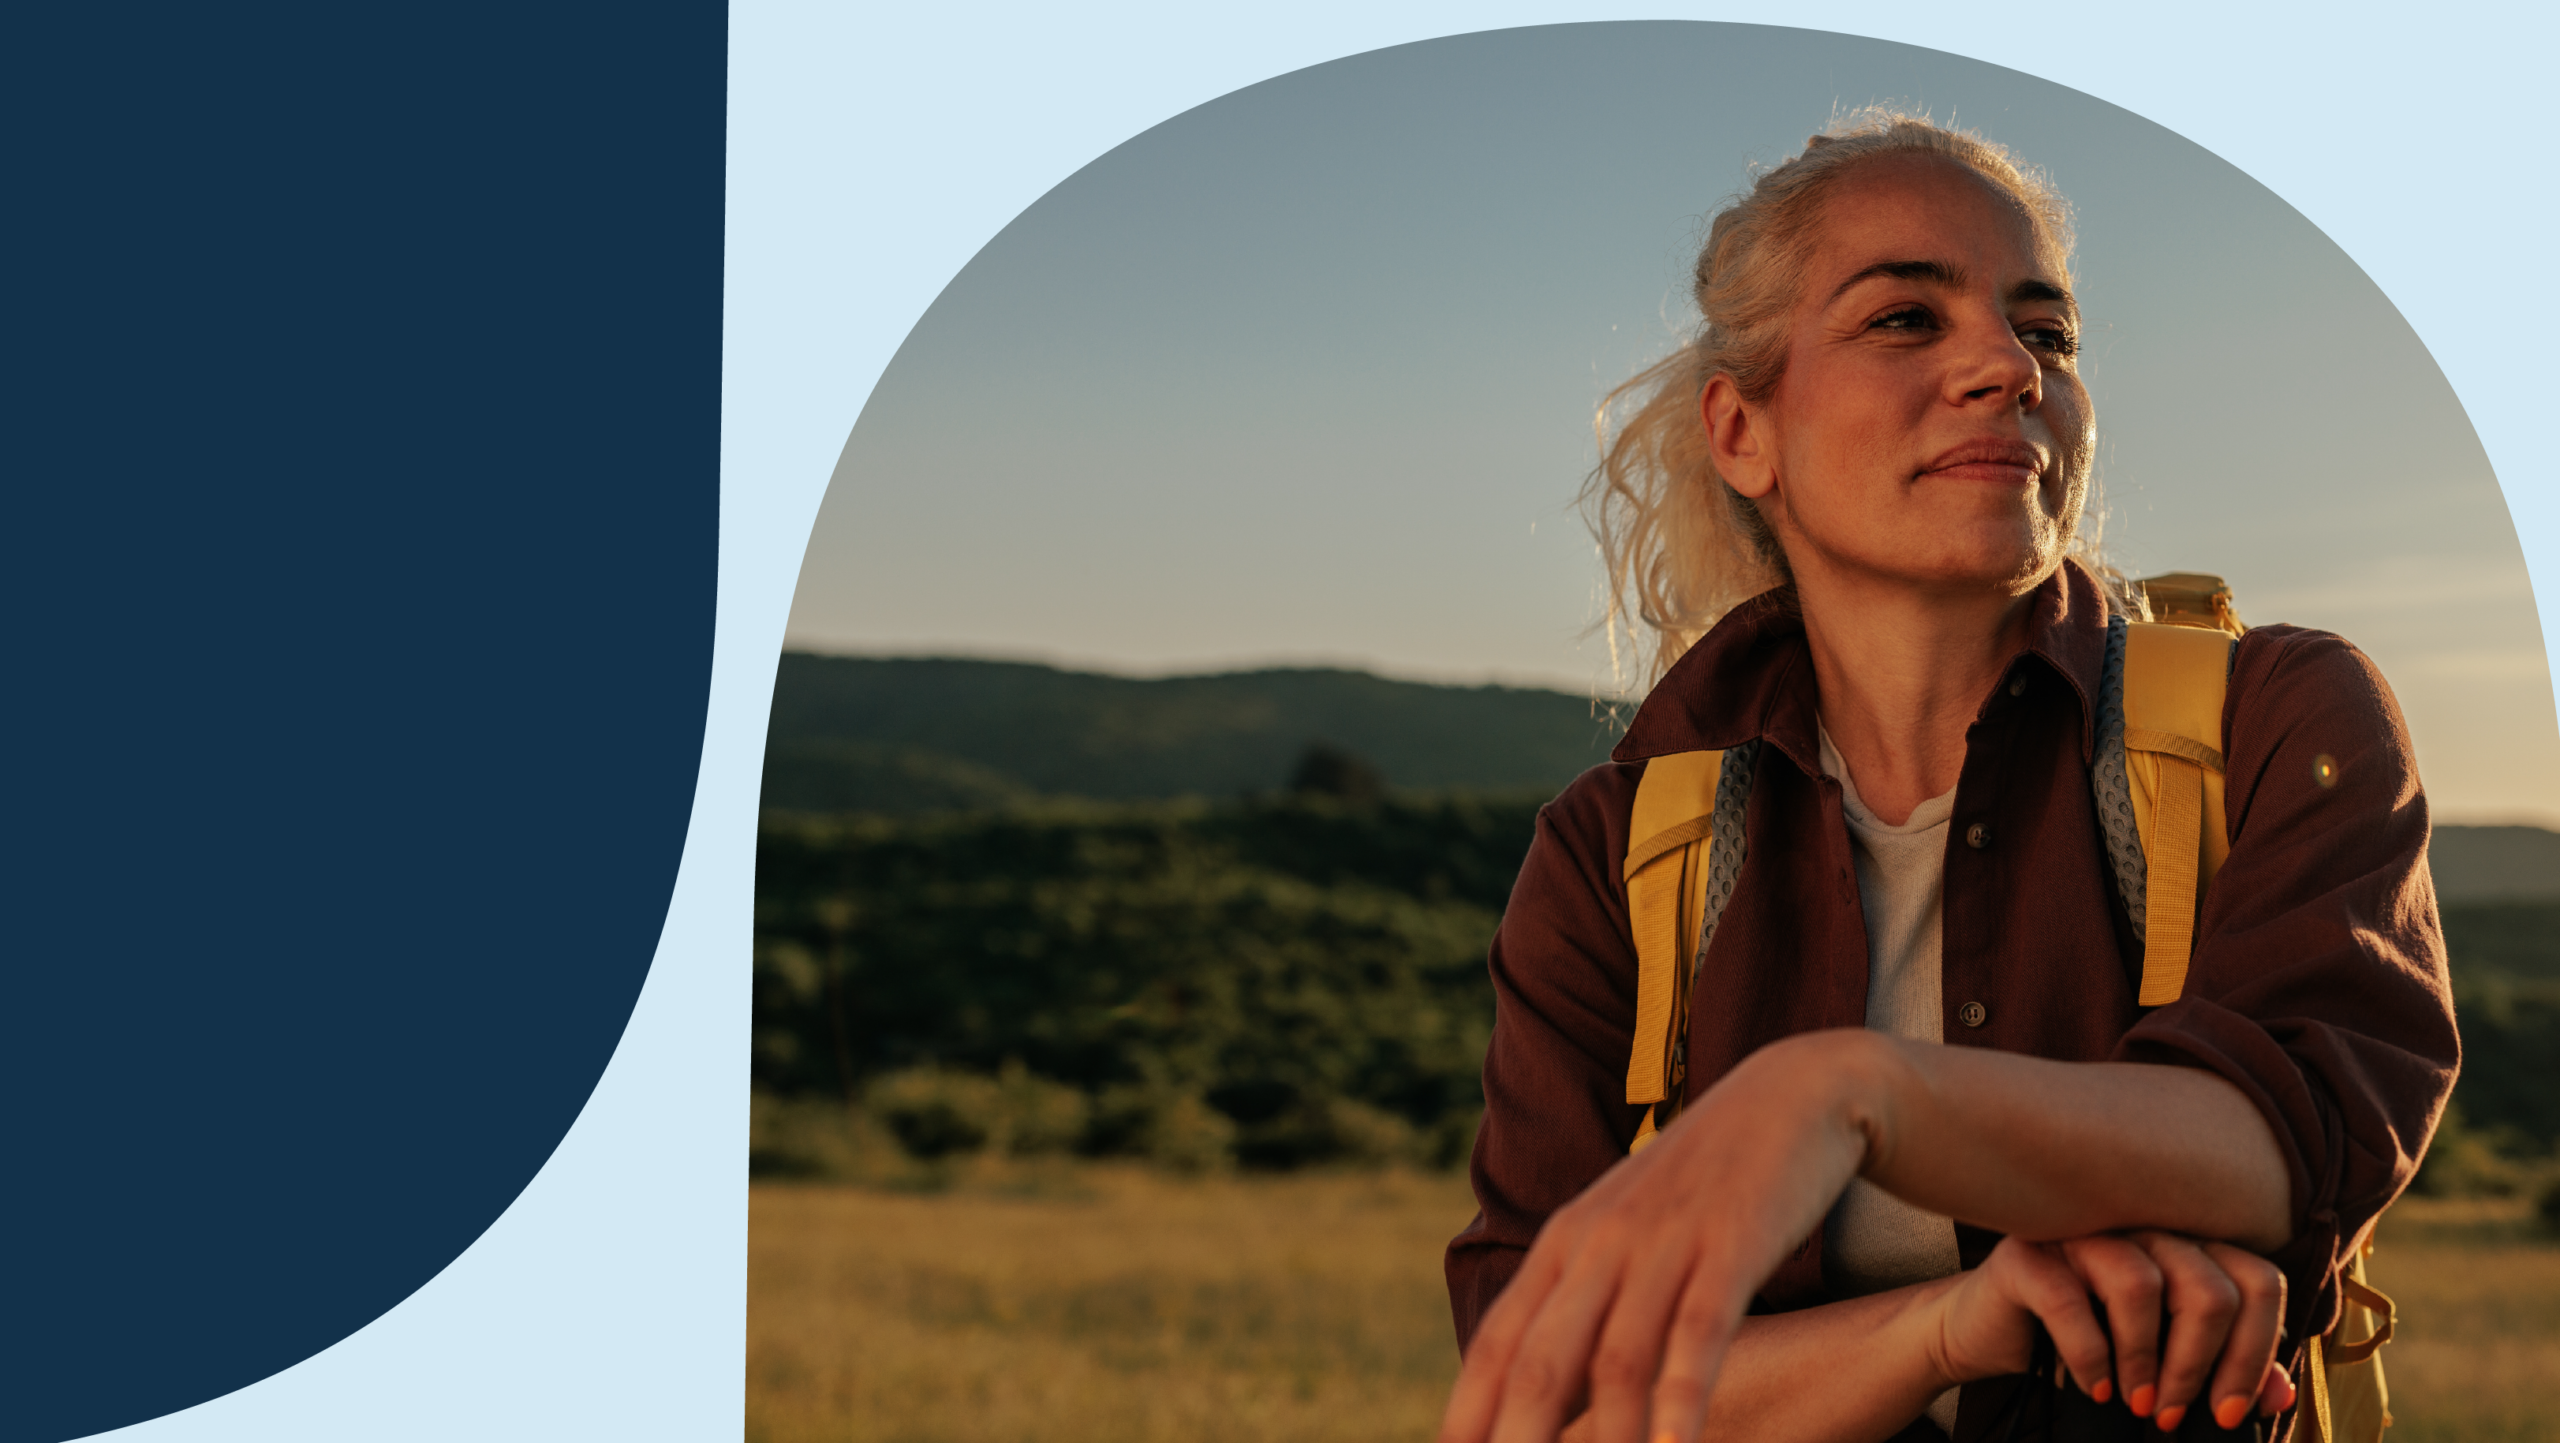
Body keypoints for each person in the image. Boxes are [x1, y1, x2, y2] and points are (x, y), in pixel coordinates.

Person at [1436, 112, 2458, 1443]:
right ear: (1743, 430)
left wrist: (1844, 1098)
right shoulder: (1618, 850)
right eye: (1906, 320)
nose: (2006, 365)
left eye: (2049, 333)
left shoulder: (2273, 717)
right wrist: (1948, 1327)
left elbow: (2292, 1142)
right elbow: (1550, 1396)